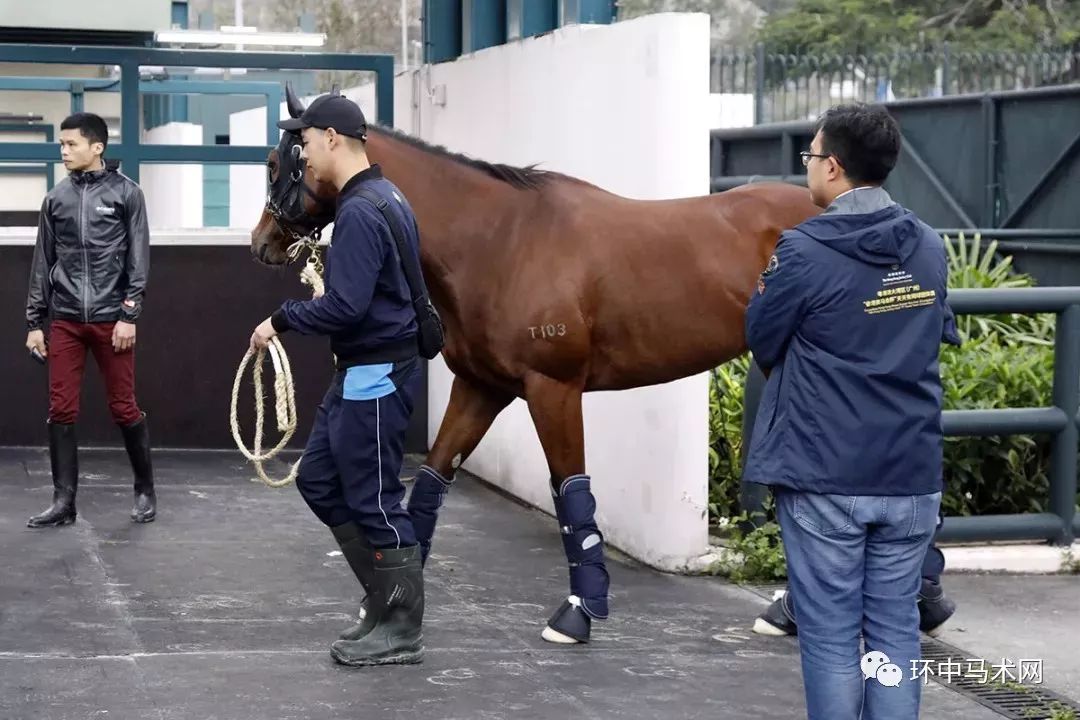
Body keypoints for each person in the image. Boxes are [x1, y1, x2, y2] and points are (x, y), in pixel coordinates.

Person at [740, 103, 962, 720]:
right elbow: (931, 330)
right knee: (893, 634)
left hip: (824, 475)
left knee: (833, 638)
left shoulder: (804, 252)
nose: (807, 167)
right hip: (910, 473)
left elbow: (763, 337)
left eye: (809, 157)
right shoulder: (927, 246)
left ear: (833, 168)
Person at [249, 91, 426, 667]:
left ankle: (401, 629)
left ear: (331, 139)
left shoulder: (360, 211)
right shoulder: (382, 197)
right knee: (320, 479)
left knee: (375, 498)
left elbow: (346, 308)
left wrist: (280, 319)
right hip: (362, 370)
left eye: (304, 140)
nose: (302, 152)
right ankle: (382, 600)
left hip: (375, 372)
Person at [25, 112, 155, 529]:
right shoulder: (55, 199)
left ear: (96, 147)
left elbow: (139, 259)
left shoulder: (127, 194)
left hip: (111, 320)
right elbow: (41, 262)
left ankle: (144, 491)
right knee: (60, 409)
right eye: (61, 145)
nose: (63, 151)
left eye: (71, 144)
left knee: (123, 407)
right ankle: (64, 503)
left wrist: (129, 313)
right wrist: (33, 322)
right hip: (64, 320)